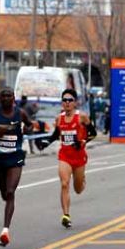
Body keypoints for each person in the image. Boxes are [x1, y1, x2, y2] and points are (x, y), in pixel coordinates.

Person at [35, 89, 96, 228]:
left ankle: (82, 180)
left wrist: (83, 142)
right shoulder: (59, 118)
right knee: (64, 183)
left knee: (78, 189)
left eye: (70, 100)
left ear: (75, 102)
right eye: (65, 100)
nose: (67, 103)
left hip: (79, 156)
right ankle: (66, 215)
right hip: (65, 156)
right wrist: (46, 143)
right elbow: (56, 135)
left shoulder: (82, 117)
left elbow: (93, 133)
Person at [0, 87, 32, 247]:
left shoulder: (21, 113)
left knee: (11, 192)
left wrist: (27, 129)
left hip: (16, 156)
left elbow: (30, 125)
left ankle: (5, 230)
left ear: (13, 98)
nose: (6, 98)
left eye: (9, 96)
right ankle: (7, 204)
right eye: (3, 96)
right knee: (5, 194)